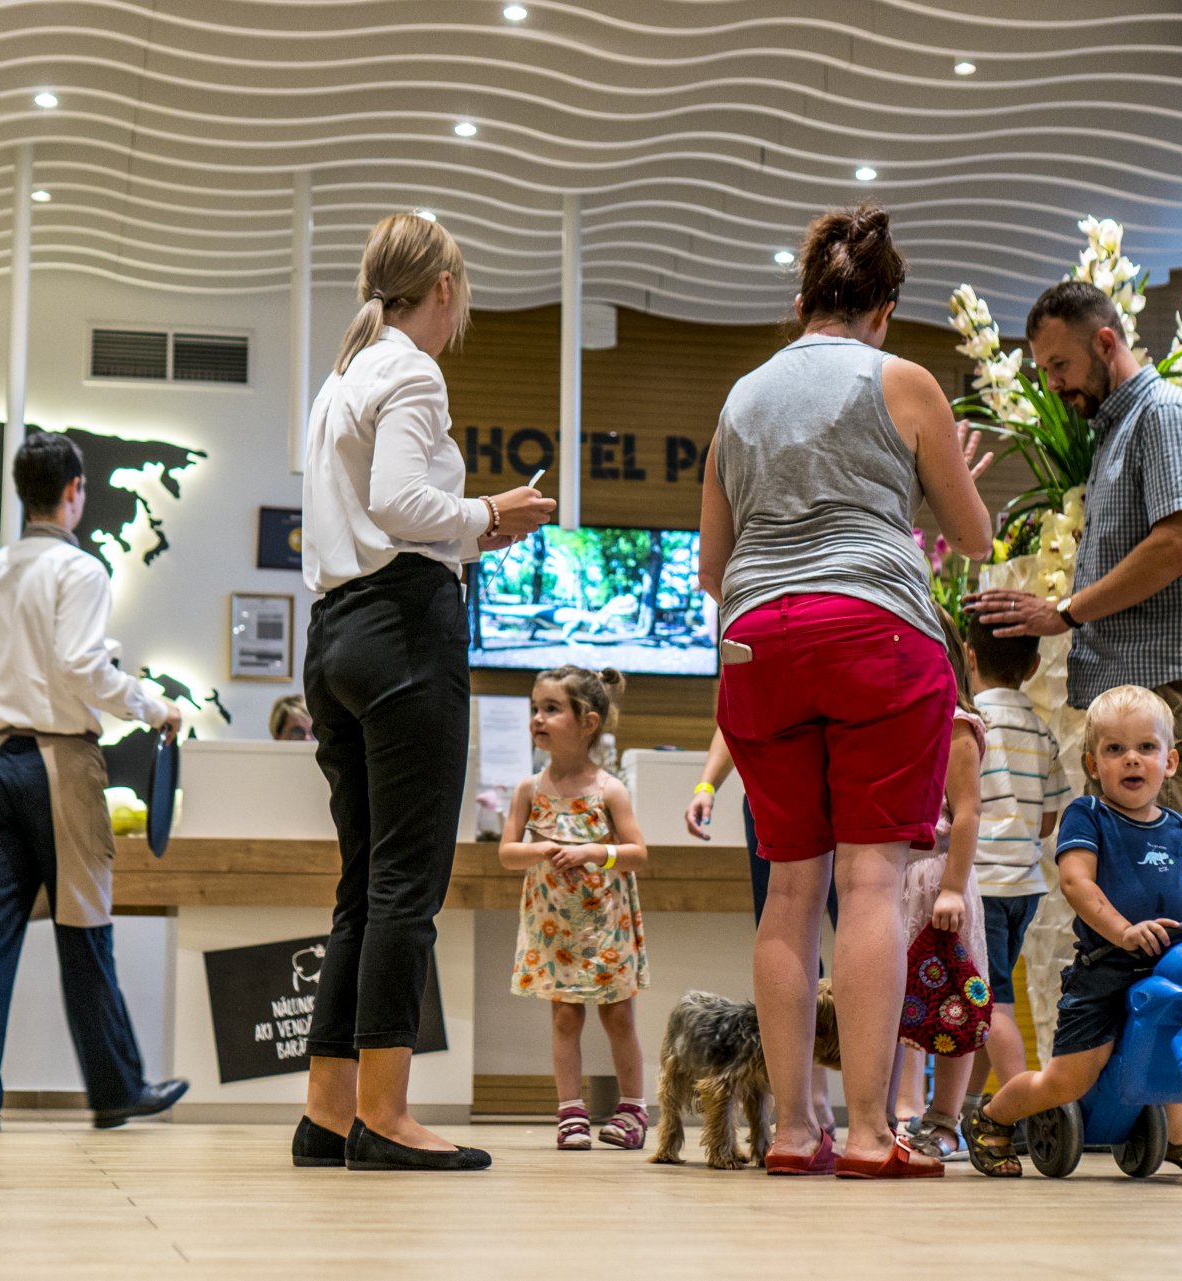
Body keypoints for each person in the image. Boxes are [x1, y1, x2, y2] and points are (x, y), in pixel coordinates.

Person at [699, 201, 992, 1179]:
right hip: (876, 633)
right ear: (885, 308)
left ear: (800, 304)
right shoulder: (902, 380)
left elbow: (711, 566)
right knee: (870, 879)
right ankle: (870, 1134)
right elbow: (975, 536)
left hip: (756, 642)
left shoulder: (740, 399)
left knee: (791, 887)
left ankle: (794, 1131)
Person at [963, 279, 1182, 1148]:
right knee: (1167, 902)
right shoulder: (1116, 435)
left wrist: (1065, 611)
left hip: (1174, 688)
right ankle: (1170, 1106)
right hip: (1144, 689)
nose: (1054, 385)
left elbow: (1178, 544)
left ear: (1106, 341)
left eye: (1060, 364)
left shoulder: (1167, 415)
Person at [292, 211, 556, 1173]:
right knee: (407, 884)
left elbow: (377, 513)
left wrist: (473, 530)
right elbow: (403, 505)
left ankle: (329, 1113)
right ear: (443, 287)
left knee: (363, 886)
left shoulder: (340, 381)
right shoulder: (411, 370)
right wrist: (489, 509)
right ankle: (386, 1114)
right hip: (404, 630)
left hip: (335, 634)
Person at [0, 432, 188, 1134]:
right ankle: (116, 1089)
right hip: (59, 762)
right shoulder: (81, 570)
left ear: (24, 492)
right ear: (74, 490)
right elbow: (81, 666)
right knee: (85, 928)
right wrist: (153, 706)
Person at [964, 685, 1182, 1178]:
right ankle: (993, 1117)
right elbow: (1076, 882)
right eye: (1115, 749)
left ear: (1170, 762)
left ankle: (1178, 1136)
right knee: (1068, 1081)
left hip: (1170, 966)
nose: (1132, 759)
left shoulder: (1178, 828)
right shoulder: (1089, 816)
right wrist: (1122, 931)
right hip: (1107, 969)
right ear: (1093, 764)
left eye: (1146, 747)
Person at [500, 666, 651, 1150]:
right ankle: (570, 1111)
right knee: (565, 1018)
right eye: (535, 709)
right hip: (555, 928)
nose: (537, 718)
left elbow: (637, 853)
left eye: (551, 709)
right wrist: (541, 849)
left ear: (588, 722)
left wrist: (592, 851)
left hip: (605, 923)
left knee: (618, 1016)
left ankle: (633, 1108)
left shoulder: (609, 789)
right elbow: (507, 853)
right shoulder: (529, 790)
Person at [686, 728, 840, 1132]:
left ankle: (884, 1109)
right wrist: (706, 785)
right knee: (792, 938)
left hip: (839, 781)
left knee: (853, 930)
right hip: (775, 786)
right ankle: (810, 1105)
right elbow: (734, 717)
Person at [961, 616, 1068, 1119]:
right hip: (1024, 886)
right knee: (987, 997)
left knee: (992, 1003)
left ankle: (1025, 1108)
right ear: (1032, 666)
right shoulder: (1042, 732)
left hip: (981, 885)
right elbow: (1047, 821)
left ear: (969, 656)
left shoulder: (968, 723)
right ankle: (967, 1106)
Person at [893, 603, 988, 1163]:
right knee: (900, 1001)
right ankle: (904, 1110)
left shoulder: (955, 724)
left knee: (954, 999)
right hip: (897, 877)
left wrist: (952, 887)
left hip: (937, 877)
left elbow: (968, 812)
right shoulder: (897, 719)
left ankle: (946, 1117)